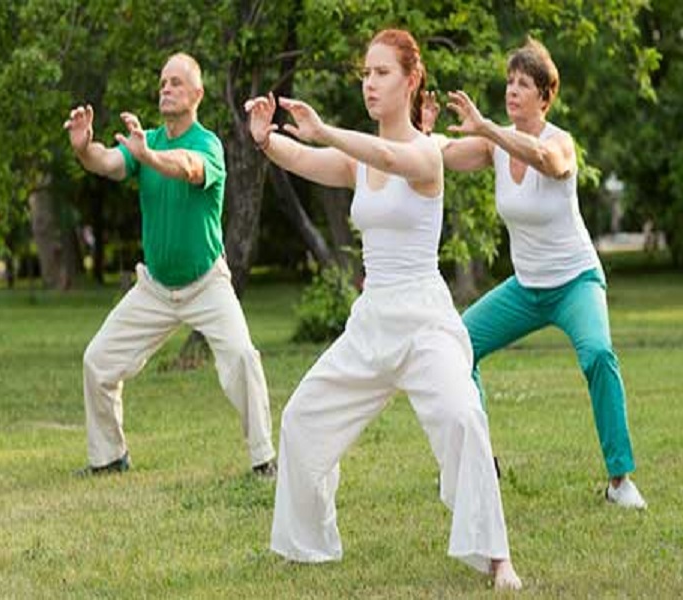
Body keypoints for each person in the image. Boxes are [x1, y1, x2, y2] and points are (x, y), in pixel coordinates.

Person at [245, 29, 522, 590]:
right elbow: (309, 158)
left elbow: (390, 154)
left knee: (464, 419)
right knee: (301, 420)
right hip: (372, 320)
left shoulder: (425, 153)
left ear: (411, 79)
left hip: (424, 322)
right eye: (366, 74)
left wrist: (327, 130)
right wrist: (267, 141)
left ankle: (498, 558)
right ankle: (309, 545)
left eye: (382, 73)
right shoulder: (357, 162)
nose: (370, 84)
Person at [422, 37, 646, 509]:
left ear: (545, 97)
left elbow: (550, 163)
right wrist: (422, 132)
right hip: (526, 287)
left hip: (575, 282)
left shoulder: (559, 140)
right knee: (459, 345)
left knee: (598, 355)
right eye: (509, 82)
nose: (512, 91)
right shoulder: (494, 145)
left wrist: (487, 129)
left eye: (523, 84)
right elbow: (441, 154)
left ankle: (620, 481)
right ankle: (481, 463)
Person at [63, 53, 276, 478]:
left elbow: (189, 169)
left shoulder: (206, 144)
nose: (166, 88)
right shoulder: (148, 140)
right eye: (162, 82)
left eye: (176, 83)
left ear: (197, 94)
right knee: (97, 361)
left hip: (206, 284)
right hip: (155, 288)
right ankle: (109, 458)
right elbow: (106, 162)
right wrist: (84, 147)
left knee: (241, 358)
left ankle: (263, 459)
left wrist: (149, 157)